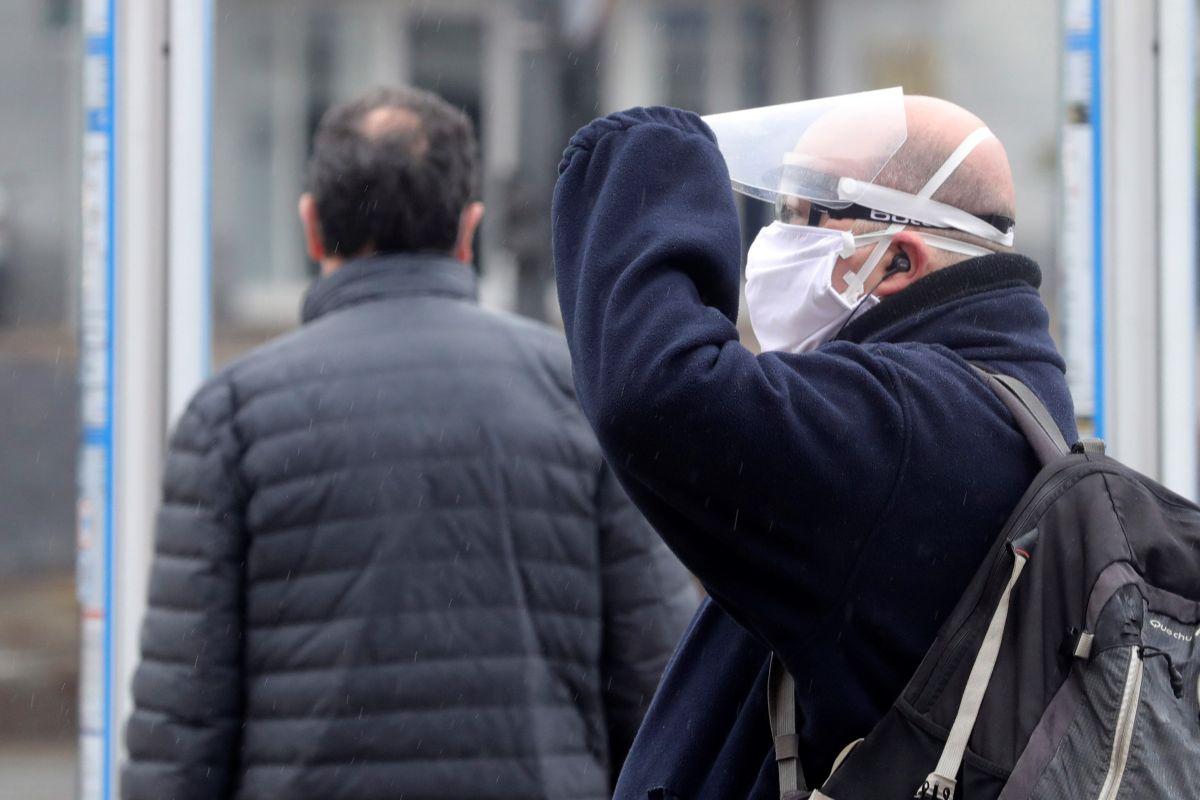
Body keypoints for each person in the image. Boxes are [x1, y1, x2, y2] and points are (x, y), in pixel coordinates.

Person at [121, 86, 697, 800]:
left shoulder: (232, 416)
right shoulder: (575, 395)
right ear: (469, 229)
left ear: (310, 227)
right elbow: (658, 684)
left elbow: (182, 723)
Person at [551, 93, 1076, 799]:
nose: (772, 239)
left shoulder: (919, 426)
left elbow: (657, 394)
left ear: (897, 260)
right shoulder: (992, 395)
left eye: (803, 215)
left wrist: (640, 157)